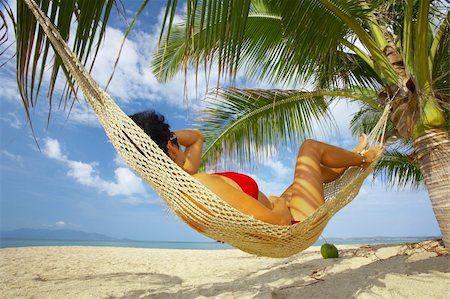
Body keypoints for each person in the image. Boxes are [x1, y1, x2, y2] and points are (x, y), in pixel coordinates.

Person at [130, 110, 383, 226]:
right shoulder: (202, 186)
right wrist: (277, 202)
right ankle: (363, 159)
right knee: (310, 150)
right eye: (174, 144)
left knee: (309, 179)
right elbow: (278, 220)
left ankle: (349, 157)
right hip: (294, 222)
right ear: (172, 148)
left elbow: (196, 137)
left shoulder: (183, 182)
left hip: (285, 214)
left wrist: (167, 139)